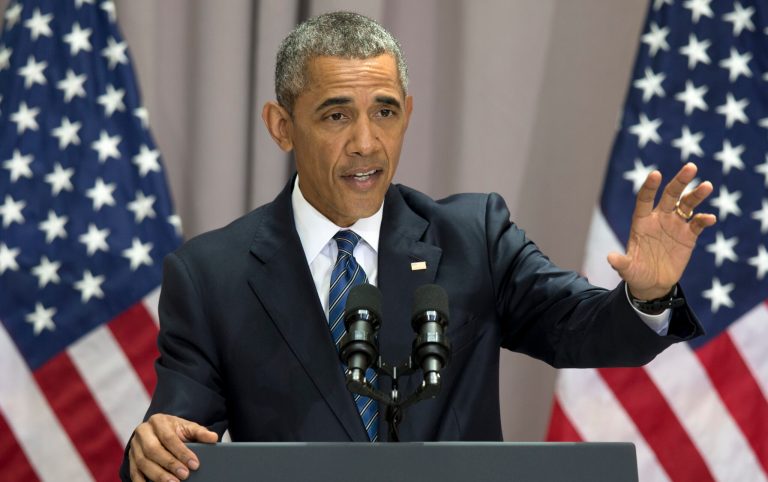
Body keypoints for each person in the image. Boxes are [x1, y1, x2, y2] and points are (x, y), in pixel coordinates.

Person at [122, 11, 716, 482]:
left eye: (384, 112)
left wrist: (647, 293)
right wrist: (151, 448)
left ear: (406, 114)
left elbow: (580, 328)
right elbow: (177, 439)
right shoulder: (211, 275)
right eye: (335, 115)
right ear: (281, 126)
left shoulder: (471, 237)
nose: (365, 142)